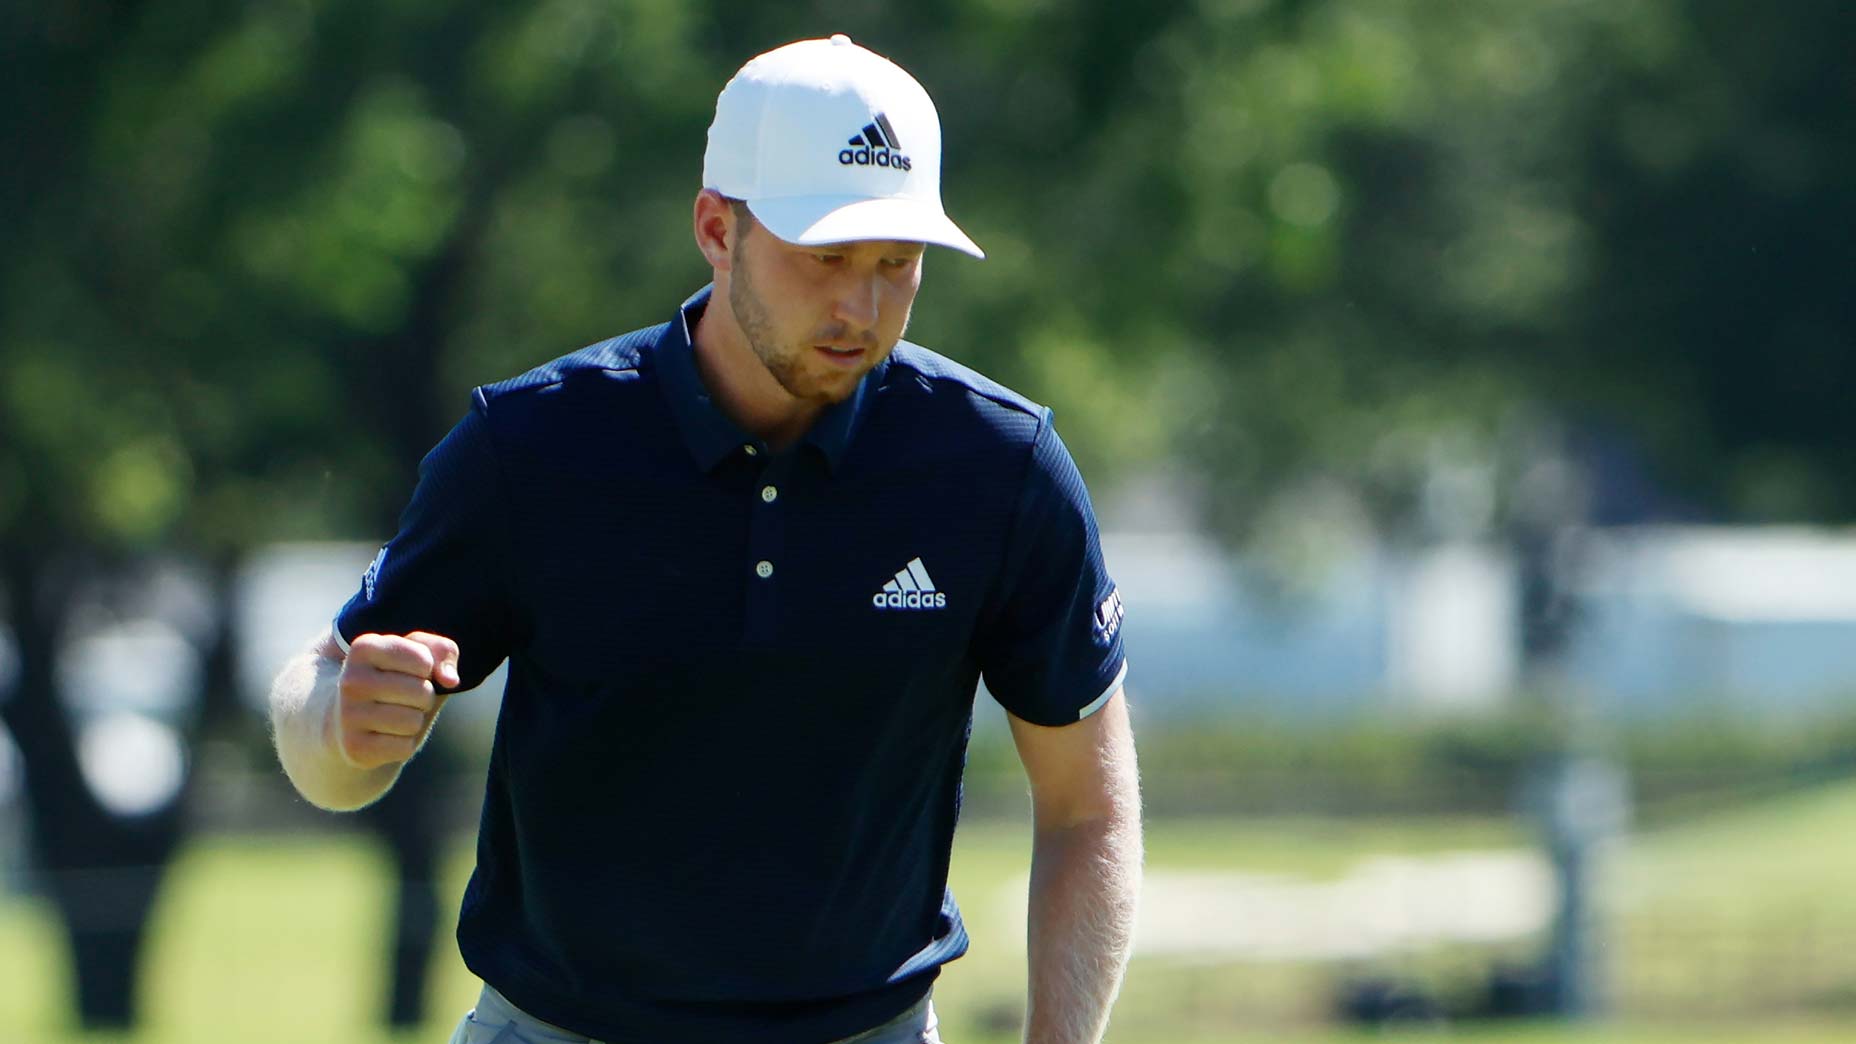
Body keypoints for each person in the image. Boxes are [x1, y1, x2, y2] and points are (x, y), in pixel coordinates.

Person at [269, 34, 1141, 1044]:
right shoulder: (533, 446)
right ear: (716, 229)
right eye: (823, 258)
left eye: (896, 264)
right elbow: (323, 723)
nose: (860, 308)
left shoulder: (997, 465)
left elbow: (1088, 806)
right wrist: (343, 727)